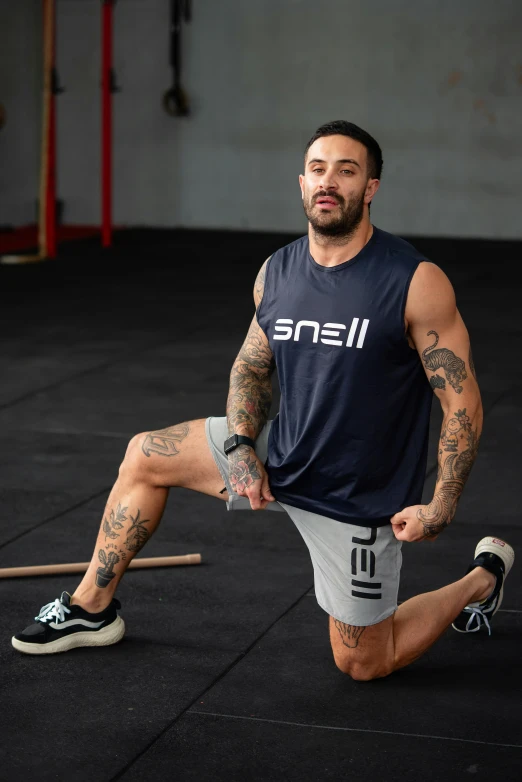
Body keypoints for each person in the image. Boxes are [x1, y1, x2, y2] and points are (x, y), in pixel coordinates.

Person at [12, 120, 514, 680]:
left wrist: (441, 505)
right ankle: (90, 609)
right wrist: (242, 444)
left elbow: (463, 404)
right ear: (301, 182)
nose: (329, 182)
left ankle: (483, 577)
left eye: (347, 171)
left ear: (370, 187)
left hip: (355, 493)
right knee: (144, 455)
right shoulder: (277, 272)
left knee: (365, 664)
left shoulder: (414, 280)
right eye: (318, 169)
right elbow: (252, 366)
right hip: (282, 451)